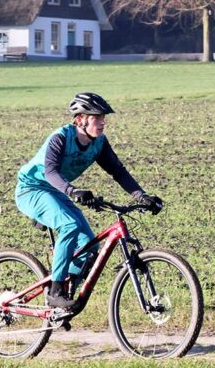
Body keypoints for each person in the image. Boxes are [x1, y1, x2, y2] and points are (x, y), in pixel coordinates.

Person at [15, 92, 163, 310]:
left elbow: (118, 171)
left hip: (58, 193)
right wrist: (73, 191)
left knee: (89, 247)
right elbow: (51, 172)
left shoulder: (99, 143)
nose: (102, 122)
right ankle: (55, 293)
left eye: (104, 117)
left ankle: (63, 304)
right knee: (69, 225)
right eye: (97, 117)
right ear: (80, 119)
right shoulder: (61, 138)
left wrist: (142, 196)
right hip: (32, 189)